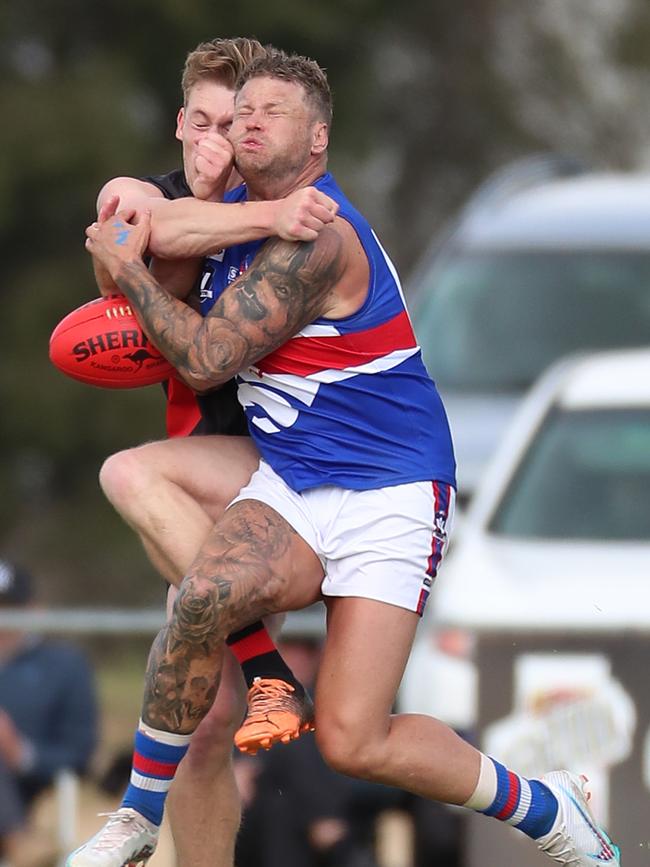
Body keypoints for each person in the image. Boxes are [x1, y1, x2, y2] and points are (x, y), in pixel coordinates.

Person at [75, 49, 620, 867]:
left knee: (354, 740)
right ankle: (138, 818)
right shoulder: (241, 214)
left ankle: (543, 802)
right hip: (293, 478)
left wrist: (127, 268)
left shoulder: (319, 236)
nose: (249, 122)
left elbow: (206, 357)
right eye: (238, 110)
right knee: (199, 598)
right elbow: (162, 221)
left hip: (391, 489)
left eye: (272, 113)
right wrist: (151, 214)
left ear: (319, 138)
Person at [89, 37, 336, 867]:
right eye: (198, 120)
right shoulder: (156, 196)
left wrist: (247, 209)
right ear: (179, 122)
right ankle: (266, 666)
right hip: (194, 477)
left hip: (288, 477)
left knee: (331, 732)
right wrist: (169, 210)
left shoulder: (295, 211)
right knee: (202, 727)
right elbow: (118, 240)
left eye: (232, 125)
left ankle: (270, 679)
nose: (213, 141)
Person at [0, 559, 97, 863]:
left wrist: (20, 752)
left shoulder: (64, 665)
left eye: (8, 608)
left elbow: (79, 753)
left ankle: (16, 834)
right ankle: (16, 836)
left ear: (34, 611)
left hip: (24, 787)